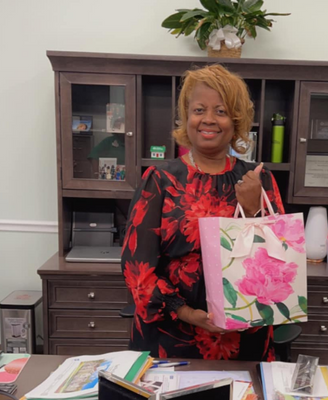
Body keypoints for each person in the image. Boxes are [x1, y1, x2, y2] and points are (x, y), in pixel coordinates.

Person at [121, 64, 285, 361]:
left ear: (236, 122)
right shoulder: (160, 179)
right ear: (186, 117)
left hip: (244, 335)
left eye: (220, 111)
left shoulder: (258, 179)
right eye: (199, 110)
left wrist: (251, 210)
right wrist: (185, 312)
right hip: (170, 334)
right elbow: (137, 266)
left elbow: (277, 263)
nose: (208, 119)